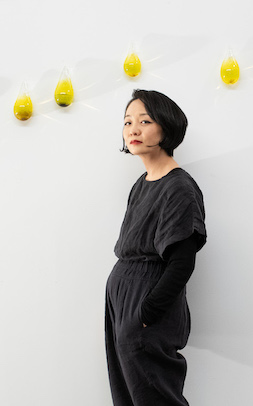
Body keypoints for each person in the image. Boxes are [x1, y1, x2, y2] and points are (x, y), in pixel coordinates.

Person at [105, 89, 207, 405]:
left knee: (155, 397)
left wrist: (147, 312)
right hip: (123, 304)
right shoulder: (143, 182)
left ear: (166, 127)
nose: (133, 130)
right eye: (127, 122)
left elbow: (182, 262)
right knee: (129, 396)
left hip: (144, 306)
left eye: (145, 121)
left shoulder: (178, 187)